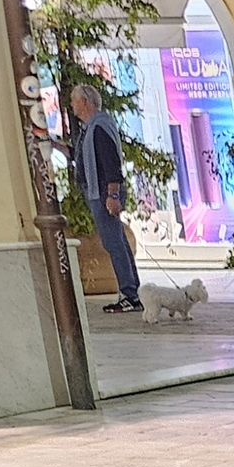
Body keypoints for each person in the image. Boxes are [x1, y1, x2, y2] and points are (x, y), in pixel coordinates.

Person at [69, 84, 141, 314]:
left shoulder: (98, 128)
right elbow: (83, 158)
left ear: (85, 103)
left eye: (74, 101)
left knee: (114, 243)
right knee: (117, 241)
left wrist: (112, 194)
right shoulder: (92, 129)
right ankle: (133, 292)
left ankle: (130, 294)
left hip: (103, 192)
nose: (72, 106)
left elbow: (111, 163)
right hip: (100, 191)